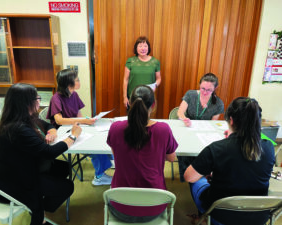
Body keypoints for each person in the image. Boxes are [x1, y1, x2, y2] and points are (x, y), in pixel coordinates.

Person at [0, 83, 82, 225]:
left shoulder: (23, 117)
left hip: (23, 168)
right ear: (26, 103)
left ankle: (40, 201)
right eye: (37, 98)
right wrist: (73, 136)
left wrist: (52, 132)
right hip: (16, 181)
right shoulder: (18, 129)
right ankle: (37, 209)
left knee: (64, 167)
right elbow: (49, 152)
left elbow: (47, 125)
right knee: (68, 186)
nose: (39, 101)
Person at [184, 97, 275, 225]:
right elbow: (247, 168)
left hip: (221, 215)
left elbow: (189, 176)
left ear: (231, 120)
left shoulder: (217, 148)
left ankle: (204, 219)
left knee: (196, 178)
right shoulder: (269, 147)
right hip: (258, 216)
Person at [107, 85, 178, 223]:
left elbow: (115, 153)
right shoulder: (163, 130)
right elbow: (171, 157)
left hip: (120, 206)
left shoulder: (115, 128)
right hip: (154, 208)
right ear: (154, 105)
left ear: (130, 103)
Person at [47, 69, 112, 186]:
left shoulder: (74, 94)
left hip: (75, 129)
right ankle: (99, 177)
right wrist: (82, 121)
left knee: (101, 139)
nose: (79, 82)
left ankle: (105, 167)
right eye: (77, 80)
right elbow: (59, 120)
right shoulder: (56, 98)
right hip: (63, 134)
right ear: (68, 83)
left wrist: (87, 122)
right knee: (95, 148)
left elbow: (78, 114)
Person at [177, 73, 224, 181]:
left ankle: (201, 175)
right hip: (187, 129)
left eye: (209, 90)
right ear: (199, 85)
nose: (204, 92)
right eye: (202, 88)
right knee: (186, 150)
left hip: (204, 133)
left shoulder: (218, 103)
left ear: (215, 88)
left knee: (205, 152)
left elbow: (213, 124)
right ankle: (186, 176)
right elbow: (180, 112)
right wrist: (184, 119)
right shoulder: (190, 94)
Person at [123, 36, 161, 108]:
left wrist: (155, 85)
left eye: (145, 46)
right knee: (133, 118)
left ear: (148, 48)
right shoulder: (130, 61)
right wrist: (125, 97)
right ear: (136, 48)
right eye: (140, 46)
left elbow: (159, 79)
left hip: (148, 97)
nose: (143, 48)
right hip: (133, 97)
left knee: (147, 118)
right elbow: (125, 80)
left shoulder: (155, 62)